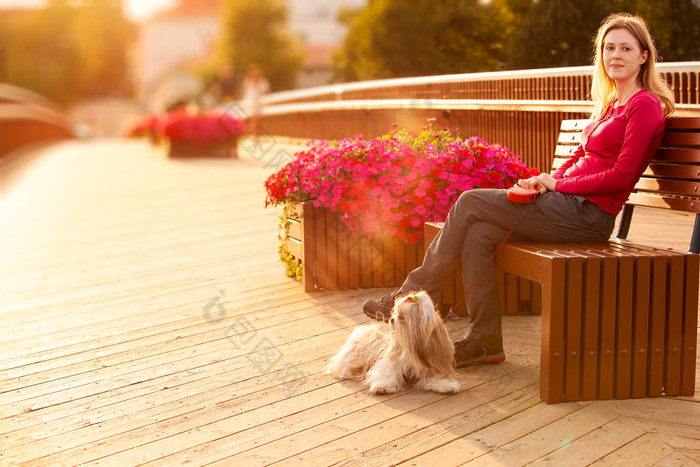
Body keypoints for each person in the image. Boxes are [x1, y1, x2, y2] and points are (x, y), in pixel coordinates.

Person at [362, 13, 675, 367]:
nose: (615, 55)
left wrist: (557, 184)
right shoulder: (610, 105)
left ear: (643, 56)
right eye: (609, 47)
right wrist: (543, 180)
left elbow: (622, 175)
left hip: (589, 215)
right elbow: (577, 159)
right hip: (565, 204)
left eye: (626, 48)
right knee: (478, 232)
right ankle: (485, 342)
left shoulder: (643, 105)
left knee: (469, 202)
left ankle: (410, 297)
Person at [241, 64, 270, 144]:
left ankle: (256, 138)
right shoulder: (248, 82)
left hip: (258, 106)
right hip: (249, 105)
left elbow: (267, 93)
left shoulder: (263, 82)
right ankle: (248, 137)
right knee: (248, 122)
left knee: (258, 123)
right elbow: (244, 93)